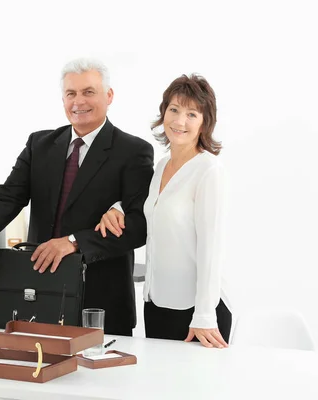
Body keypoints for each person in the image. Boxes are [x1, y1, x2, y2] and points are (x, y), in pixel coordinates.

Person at [0, 58, 154, 336]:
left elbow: (138, 226)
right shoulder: (39, 144)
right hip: (39, 295)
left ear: (109, 95)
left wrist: (73, 242)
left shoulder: (134, 151)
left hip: (100, 303)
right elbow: (7, 198)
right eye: (71, 93)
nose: (78, 101)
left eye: (88, 92)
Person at [95, 74, 232, 348]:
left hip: (196, 312)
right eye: (174, 110)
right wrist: (116, 207)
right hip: (156, 304)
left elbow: (211, 247)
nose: (180, 121)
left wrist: (204, 315)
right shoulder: (162, 166)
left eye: (192, 114)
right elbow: (150, 207)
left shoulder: (208, 171)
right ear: (164, 113)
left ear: (205, 122)